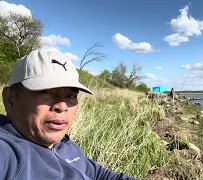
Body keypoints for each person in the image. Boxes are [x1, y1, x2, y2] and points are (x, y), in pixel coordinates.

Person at [0, 50, 136, 180]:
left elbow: (97, 174)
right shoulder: (8, 152)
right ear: (10, 99)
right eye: (45, 92)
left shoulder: (64, 145)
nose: (62, 106)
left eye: (70, 95)